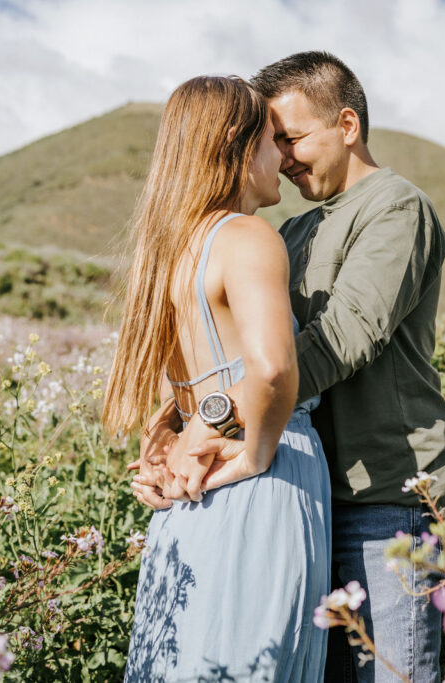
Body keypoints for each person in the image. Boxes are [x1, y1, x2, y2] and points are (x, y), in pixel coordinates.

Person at [133, 52, 445, 682]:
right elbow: (234, 348)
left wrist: (219, 421)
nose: (283, 157)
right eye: (273, 141)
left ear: (346, 124)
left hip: (385, 498)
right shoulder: (288, 231)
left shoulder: (395, 207)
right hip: (301, 493)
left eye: (293, 138)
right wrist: (177, 428)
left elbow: (345, 335)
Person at [104, 75, 331, 682]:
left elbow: (179, 397)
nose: (282, 157)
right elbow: (274, 367)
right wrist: (256, 453)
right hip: (259, 474)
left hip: (189, 487)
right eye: (270, 140)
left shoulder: (165, 253)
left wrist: (170, 451)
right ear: (236, 142)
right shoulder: (247, 235)